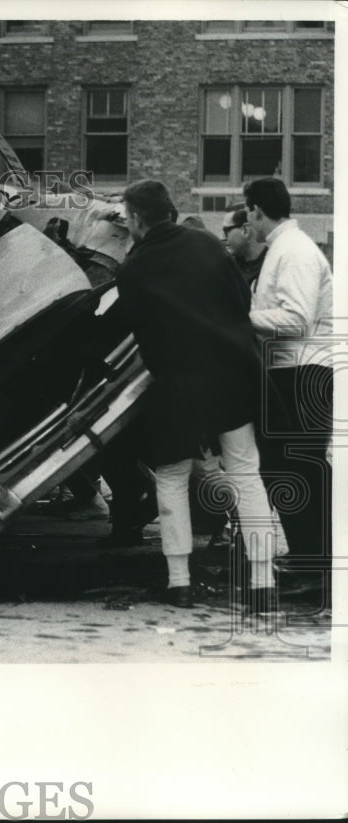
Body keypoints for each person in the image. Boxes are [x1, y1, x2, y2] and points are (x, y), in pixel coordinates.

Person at [115, 179, 279, 611]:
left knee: (170, 477)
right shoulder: (208, 244)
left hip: (177, 384)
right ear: (170, 209)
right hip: (232, 373)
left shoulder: (131, 269)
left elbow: (142, 335)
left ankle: (179, 582)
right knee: (246, 472)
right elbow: (241, 300)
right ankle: (262, 583)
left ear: (135, 218)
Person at [243, 177, 333, 595]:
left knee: (296, 469)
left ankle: (313, 569)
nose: (247, 221)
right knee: (291, 467)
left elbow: (296, 320)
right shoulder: (286, 249)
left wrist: (239, 319)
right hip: (294, 371)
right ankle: (308, 558)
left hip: (302, 371)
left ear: (258, 210)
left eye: (248, 212)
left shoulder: (293, 252)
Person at [222, 205, 268, 288]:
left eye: (226, 231)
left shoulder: (271, 266)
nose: (223, 237)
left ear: (245, 230)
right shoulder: (230, 266)